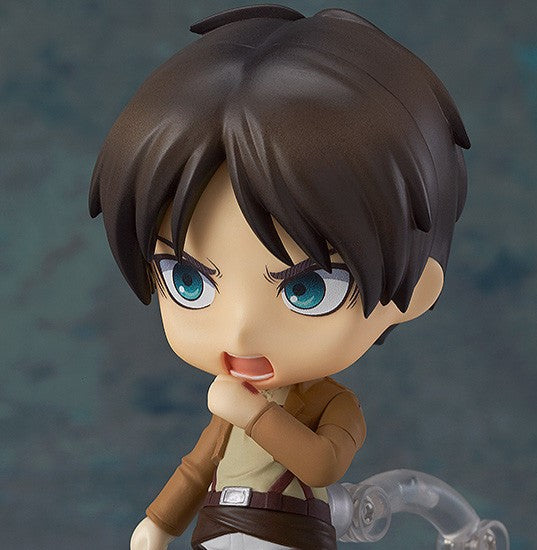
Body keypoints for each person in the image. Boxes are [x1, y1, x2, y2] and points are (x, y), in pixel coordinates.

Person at [89, 5, 470, 549]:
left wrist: (253, 414)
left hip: (289, 533)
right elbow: (198, 468)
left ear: (414, 292)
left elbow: (322, 464)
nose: (240, 330)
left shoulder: (329, 406)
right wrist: (159, 523)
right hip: (218, 529)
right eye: (187, 280)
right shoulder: (233, 398)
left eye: (306, 289)